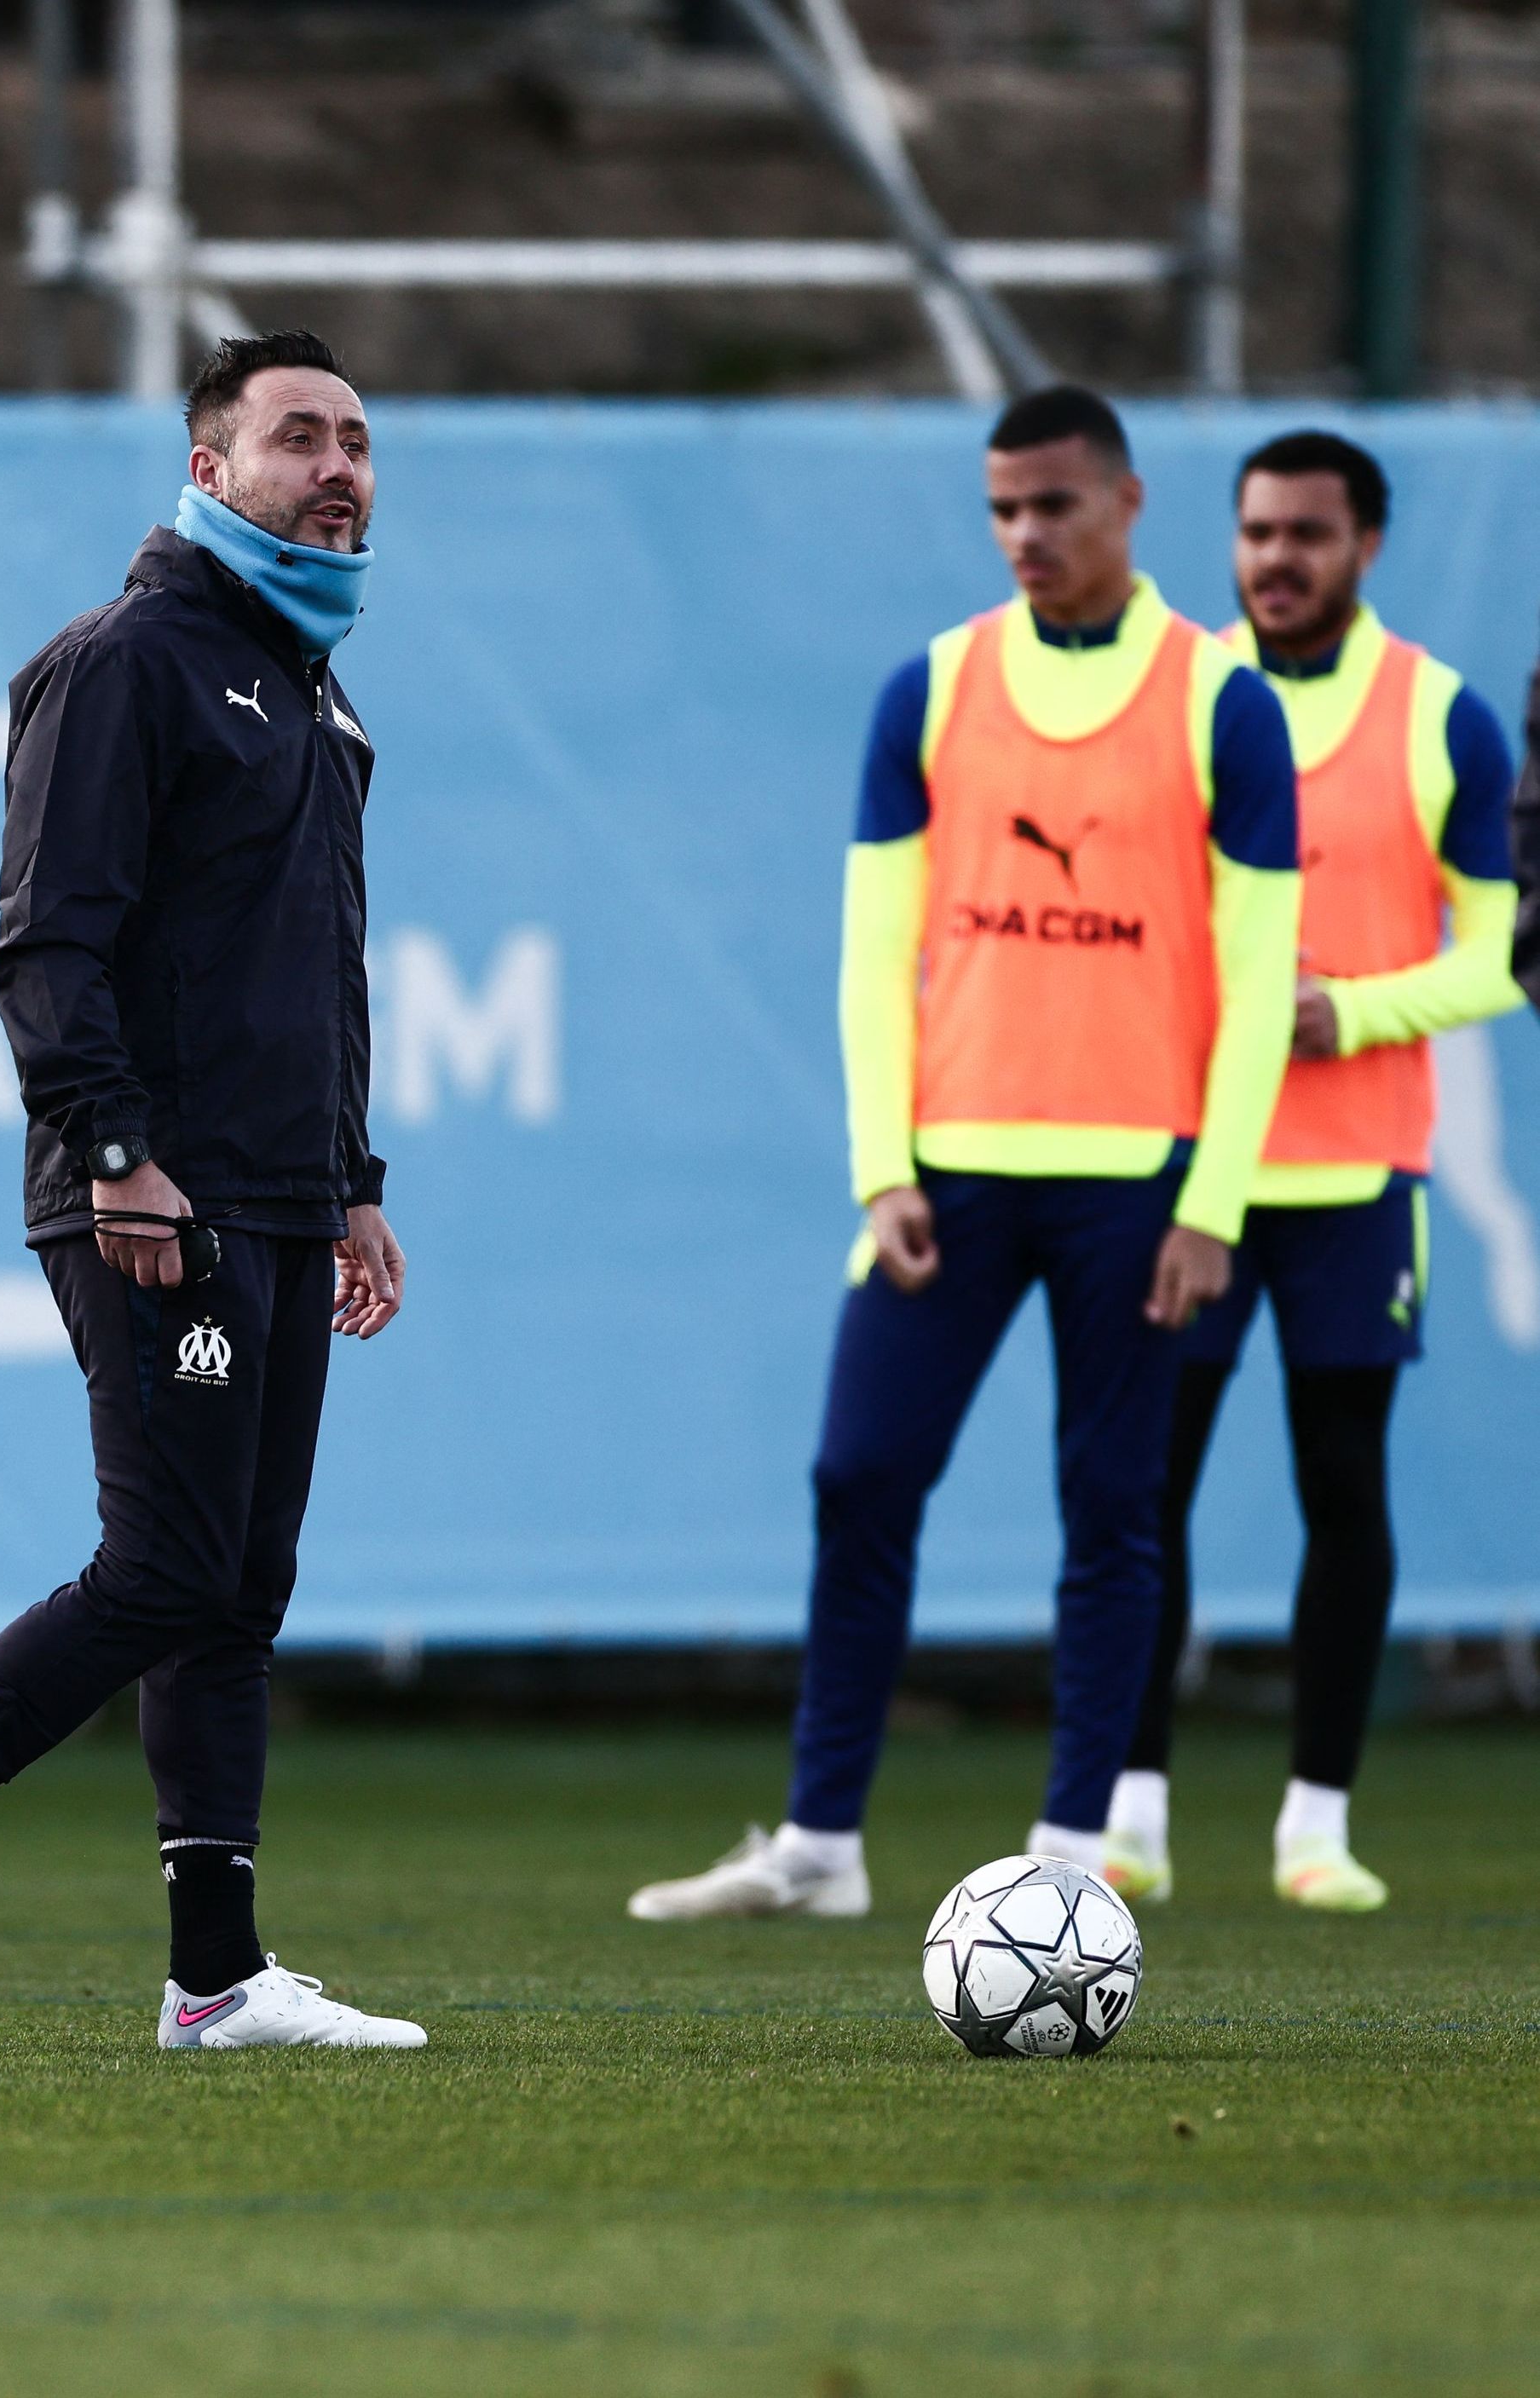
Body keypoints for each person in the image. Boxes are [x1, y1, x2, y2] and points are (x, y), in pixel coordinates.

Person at [0, 330, 417, 2053]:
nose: (339, 466)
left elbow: (315, 969)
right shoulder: (124, 661)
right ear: (212, 473)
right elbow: (48, 947)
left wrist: (349, 1180)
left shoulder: (312, 683)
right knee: (162, 1569)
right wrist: (120, 1155)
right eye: (299, 439)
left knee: (236, 1588)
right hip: (156, 1203)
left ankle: (215, 1980)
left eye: (356, 440)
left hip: (280, 1198)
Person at [632, 386, 1301, 1923]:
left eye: (1056, 506)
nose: (1026, 535)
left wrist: (1216, 1201)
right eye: (1004, 508)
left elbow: (1265, 978)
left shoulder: (1223, 702)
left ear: (1131, 504)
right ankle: (820, 1846)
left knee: (1112, 1508)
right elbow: (875, 955)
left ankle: (1073, 1859)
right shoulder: (930, 691)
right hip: (950, 1171)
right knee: (860, 1472)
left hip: (1142, 1178)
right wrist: (886, 1165)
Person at [1105, 432, 1520, 1912]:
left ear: (1369, 546)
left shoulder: (1442, 722)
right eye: (1259, 532)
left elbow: (1505, 954)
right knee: (1149, 1485)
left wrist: (1351, 1008)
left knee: (1342, 1481)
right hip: (1188, 1165)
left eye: (1310, 536)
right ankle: (1131, 1812)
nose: (1278, 560)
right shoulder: (1182, 699)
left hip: (1355, 1179)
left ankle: (1315, 1822)